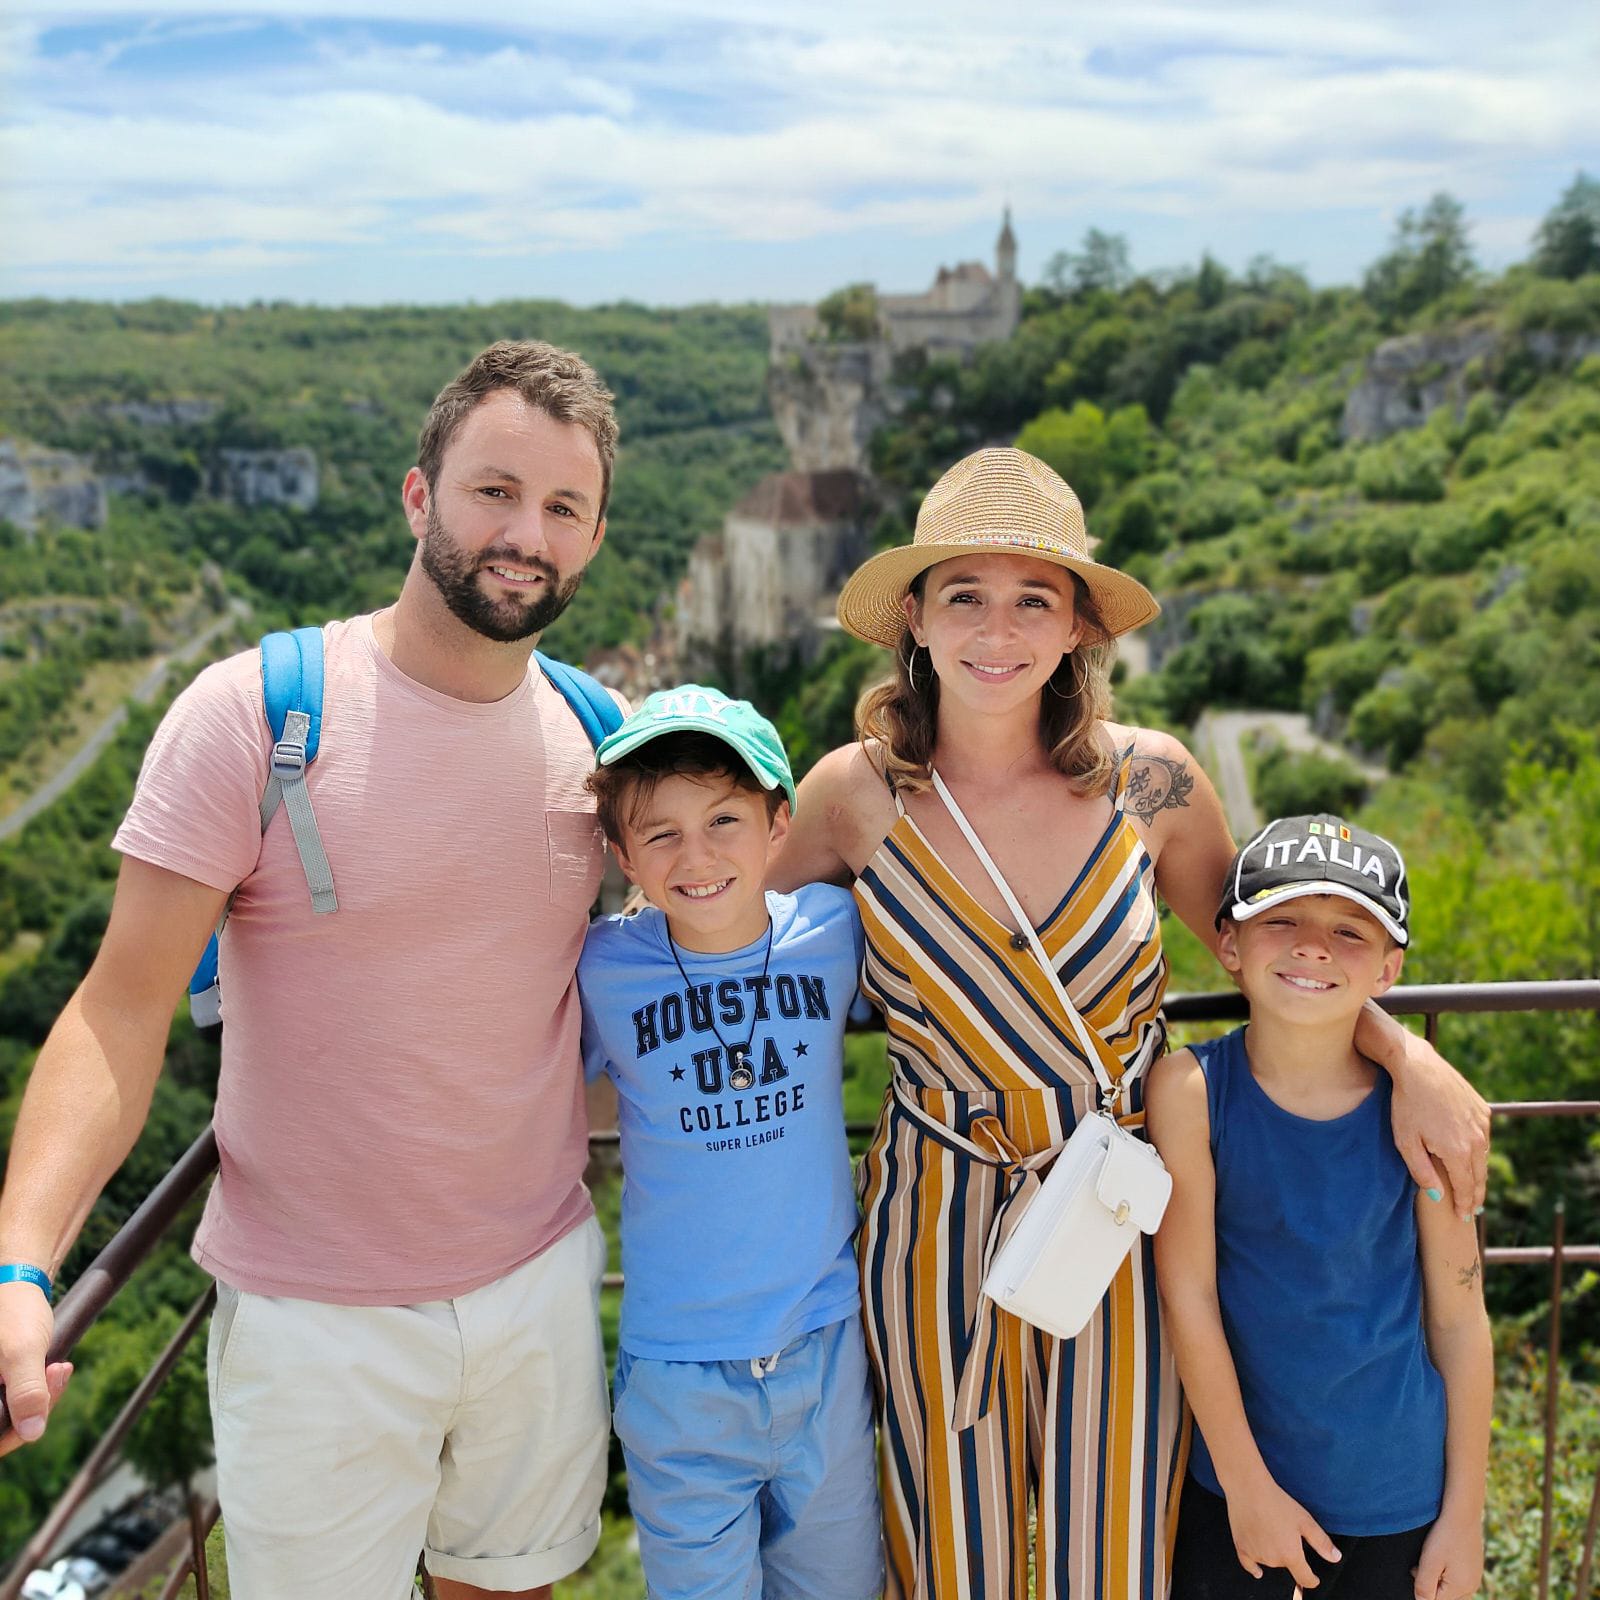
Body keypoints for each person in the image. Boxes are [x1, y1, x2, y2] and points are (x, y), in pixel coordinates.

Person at [768, 446, 1491, 1600]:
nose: (995, 629)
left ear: (1076, 631)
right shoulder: (851, 793)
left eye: (1032, 599)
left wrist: (1407, 1054)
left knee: (1116, 1554)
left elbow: (1270, 960)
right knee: (953, 1550)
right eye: (964, 594)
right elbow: (729, 965)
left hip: (1112, 1207)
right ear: (912, 614)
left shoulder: (1149, 783)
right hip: (931, 1213)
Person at [0, 340, 623, 1600]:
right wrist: (22, 1265)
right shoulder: (258, 716)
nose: (525, 533)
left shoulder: (603, 742)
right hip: (314, 1317)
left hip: (541, 1281)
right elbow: (118, 1015)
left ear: (595, 540)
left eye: (562, 508)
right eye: (492, 490)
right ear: (415, 495)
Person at [578, 685, 884, 1600]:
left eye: (724, 819)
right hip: (680, 1376)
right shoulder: (601, 966)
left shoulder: (836, 933)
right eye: (659, 833)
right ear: (621, 852)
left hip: (823, 1348)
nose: (697, 855)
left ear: (778, 823)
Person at [1146, 816, 1491, 1600]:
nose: (1313, 947)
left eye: (1350, 931)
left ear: (1389, 970)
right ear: (1228, 944)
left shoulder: (1423, 1119)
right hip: (1240, 1490)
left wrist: (1464, 1516)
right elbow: (1189, 1297)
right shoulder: (1193, 1093)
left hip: (1399, 1500)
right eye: (1283, 920)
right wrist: (1247, 1490)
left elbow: (1459, 1321)